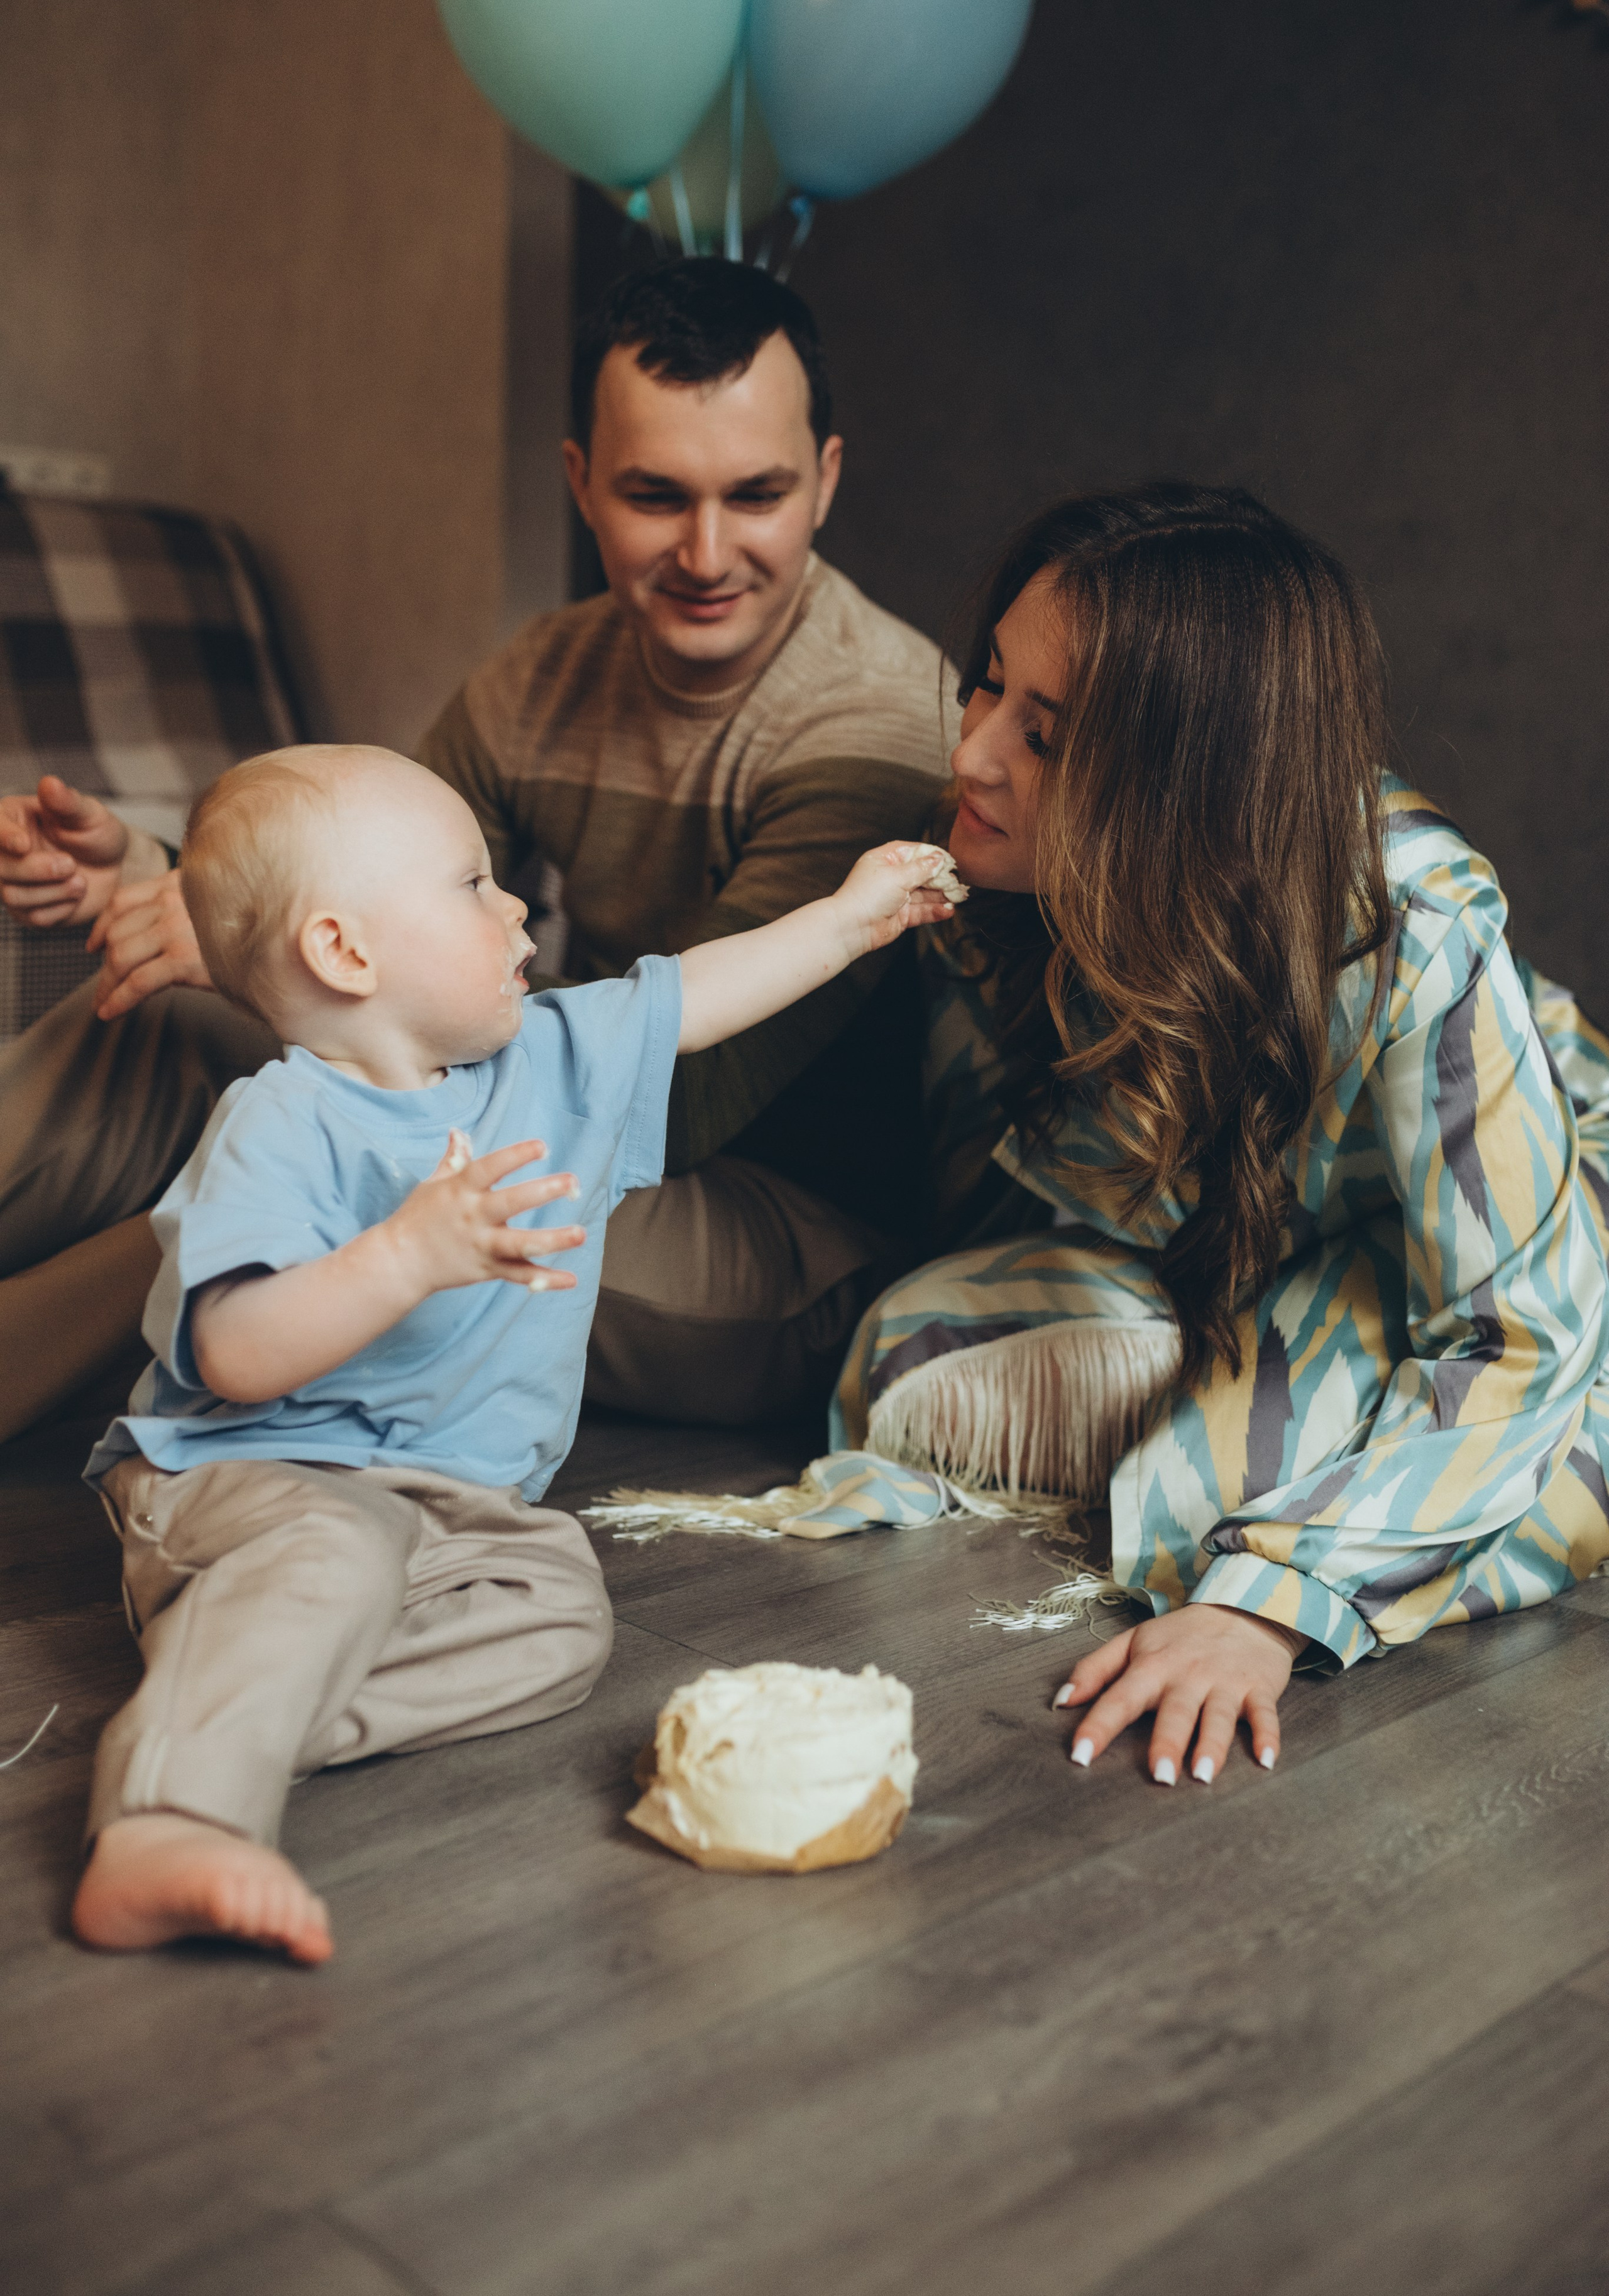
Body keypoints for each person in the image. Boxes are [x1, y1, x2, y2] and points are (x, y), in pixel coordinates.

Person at [0, 258, 950, 1437]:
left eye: (756, 495)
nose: (707, 553)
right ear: (581, 484)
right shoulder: (542, 674)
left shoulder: (883, 726)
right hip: (563, 1109)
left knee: (315, 1172)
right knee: (163, 1020)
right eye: (656, 496)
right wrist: (183, 889)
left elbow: (683, 1080)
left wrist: (277, 970)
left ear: (827, 480)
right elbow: (363, 896)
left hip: (788, 1240)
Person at [71, 741, 955, 1963]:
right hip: (257, 1477)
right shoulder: (282, 1121)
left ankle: (246, 1703)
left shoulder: (545, 1059)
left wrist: (848, 922)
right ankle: (168, 1818)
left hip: (450, 1511)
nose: (515, 910)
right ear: (344, 952)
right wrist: (402, 1257)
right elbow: (230, 1352)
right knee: (327, 1548)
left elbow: (695, 993)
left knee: (559, 1620)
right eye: (471, 885)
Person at [830, 483, 1609, 1785]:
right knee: (911, 1345)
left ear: (1184, 780)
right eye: (984, 687)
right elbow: (989, 1196)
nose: (970, 754)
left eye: (1045, 735)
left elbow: (1516, 1324)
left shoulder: (1405, 924)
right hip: (1238, 1257)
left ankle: (1317, 1482)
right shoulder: (972, 875)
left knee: (1320, 1482)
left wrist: (1266, 1605)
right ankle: (1269, 1402)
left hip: (1530, 1234)